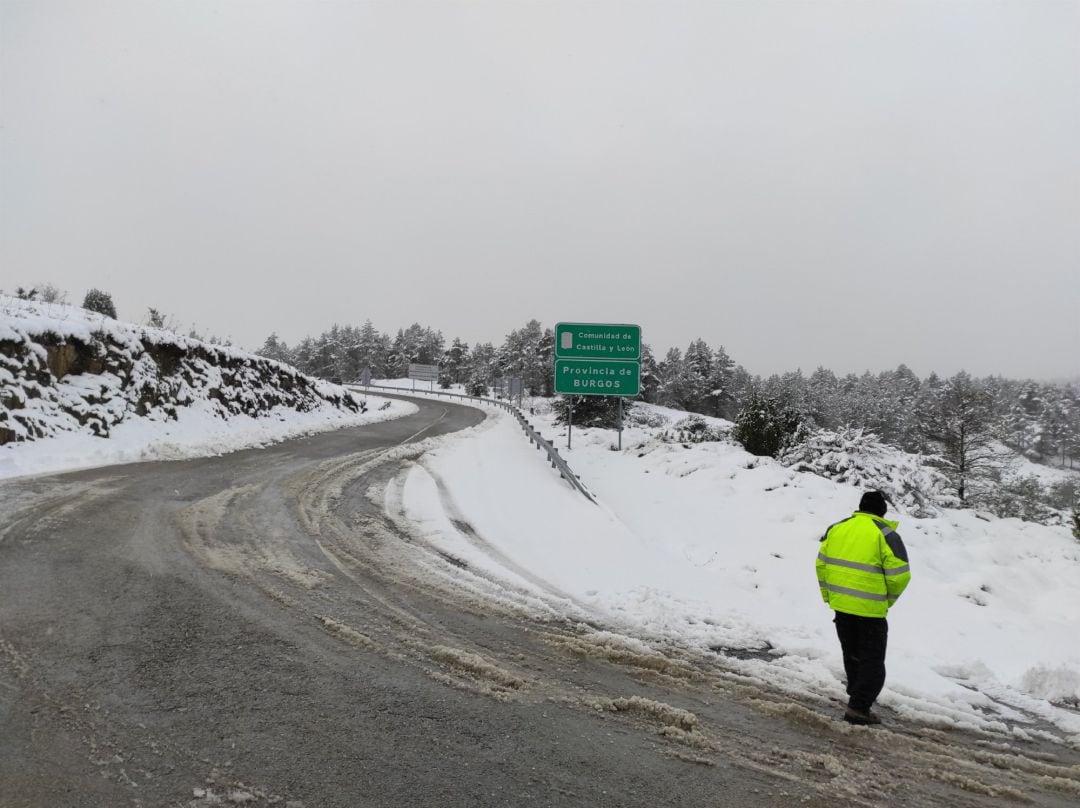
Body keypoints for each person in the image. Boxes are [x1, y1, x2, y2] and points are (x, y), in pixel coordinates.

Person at [816, 490, 911, 725]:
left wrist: (829, 596)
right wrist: (886, 600)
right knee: (872, 662)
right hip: (870, 611)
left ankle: (856, 699)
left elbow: (821, 565)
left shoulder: (837, 528)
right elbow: (900, 575)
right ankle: (858, 708)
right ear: (882, 511)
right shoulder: (886, 534)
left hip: (841, 607)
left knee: (853, 656)